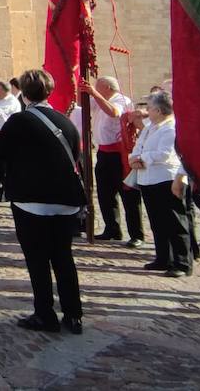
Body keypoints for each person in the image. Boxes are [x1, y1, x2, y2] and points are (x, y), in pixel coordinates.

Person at [0, 68, 87, 334]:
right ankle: (74, 315)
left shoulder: (19, 121)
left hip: (32, 201)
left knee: (38, 259)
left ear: (24, 94)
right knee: (64, 257)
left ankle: (44, 314)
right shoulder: (65, 122)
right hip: (66, 201)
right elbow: (76, 156)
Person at [129, 92, 191, 277]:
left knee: (174, 221)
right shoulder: (150, 127)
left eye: (149, 108)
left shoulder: (170, 128)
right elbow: (139, 145)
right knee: (157, 221)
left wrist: (142, 158)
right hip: (148, 178)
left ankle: (181, 262)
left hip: (165, 178)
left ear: (158, 110)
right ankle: (163, 257)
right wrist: (134, 157)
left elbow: (165, 153)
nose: (146, 111)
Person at [82, 76, 142, 247]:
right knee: (105, 194)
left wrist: (94, 94)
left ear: (108, 88)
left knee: (128, 194)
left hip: (120, 153)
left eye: (98, 87)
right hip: (103, 152)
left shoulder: (121, 100)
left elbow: (114, 112)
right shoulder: (101, 99)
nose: (95, 89)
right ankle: (112, 229)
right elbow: (83, 104)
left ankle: (136, 233)